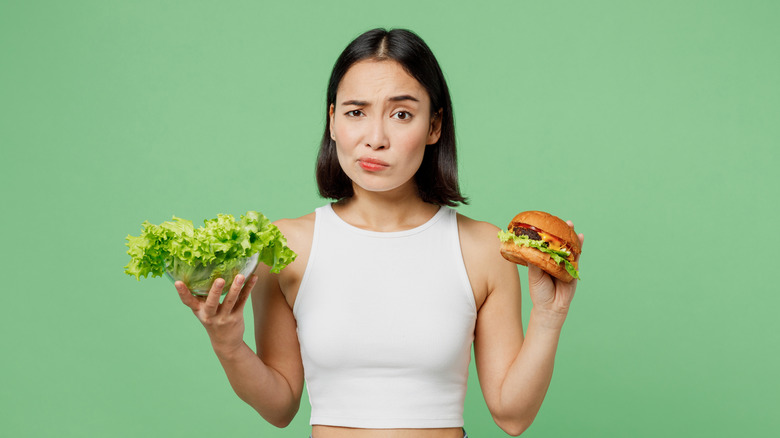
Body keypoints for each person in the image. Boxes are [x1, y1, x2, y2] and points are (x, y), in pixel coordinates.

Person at [174, 28, 584, 438]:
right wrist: (227, 342)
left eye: (401, 114)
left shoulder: (481, 248)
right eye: (356, 112)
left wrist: (550, 315)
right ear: (332, 121)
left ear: (434, 126)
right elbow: (280, 406)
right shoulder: (286, 246)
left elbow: (512, 416)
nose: (375, 139)